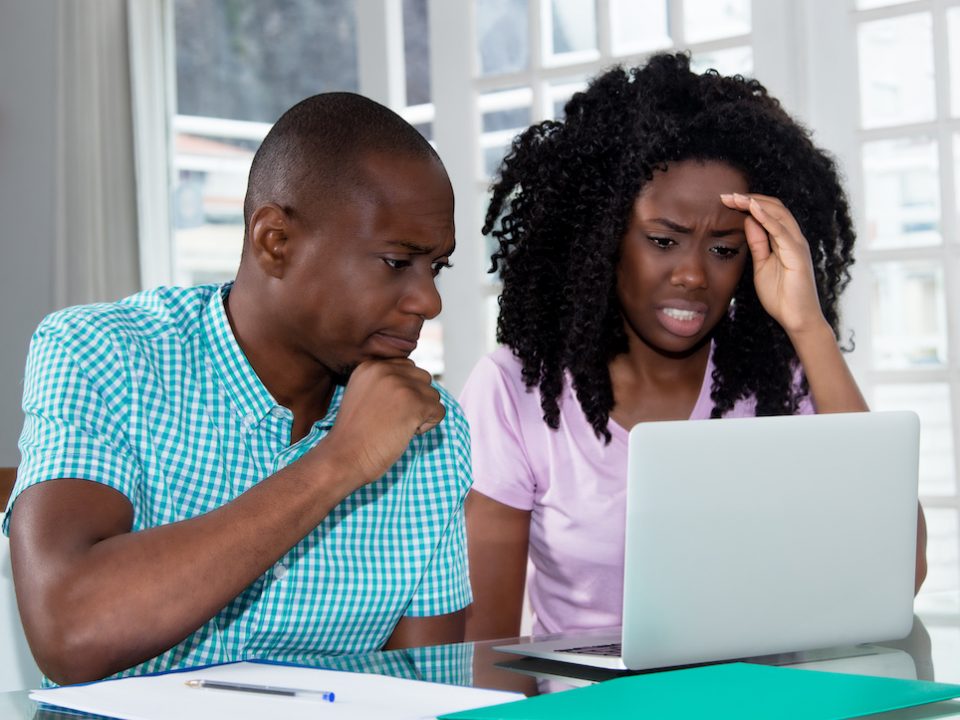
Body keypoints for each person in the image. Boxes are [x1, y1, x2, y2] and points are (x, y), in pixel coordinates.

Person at [4, 92, 471, 685]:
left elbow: (421, 689)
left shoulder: (431, 430)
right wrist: (339, 462)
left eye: (438, 267)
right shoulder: (103, 354)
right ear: (275, 241)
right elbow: (71, 631)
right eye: (395, 262)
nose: (428, 300)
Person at [460, 53, 929, 641]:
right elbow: (486, 653)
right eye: (663, 240)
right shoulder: (515, 390)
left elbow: (898, 571)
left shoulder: (781, 382)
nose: (692, 275)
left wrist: (809, 327)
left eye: (724, 249)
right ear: (601, 235)